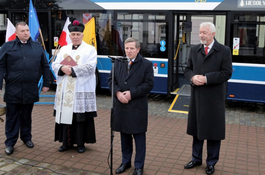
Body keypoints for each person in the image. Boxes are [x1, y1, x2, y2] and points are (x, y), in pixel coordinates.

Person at [184, 22, 232, 175]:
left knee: (213, 132)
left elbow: (227, 73)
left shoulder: (224, 51)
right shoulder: (194, 50)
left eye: (204, 32)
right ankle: (196, 158)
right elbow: (187, 69)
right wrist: (192, 78)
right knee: (197, 131)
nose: (201, 35)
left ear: (213, 34)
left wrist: (206, 79)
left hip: (214, 99)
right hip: (197, 98)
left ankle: (211, 162)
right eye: (200, 32)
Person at [0, 21, 50, 155]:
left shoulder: (37, 47)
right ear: (16, 33)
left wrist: (46, 83)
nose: (26, 33)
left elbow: (45, 66)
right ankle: (10, 142)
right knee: (12, 117)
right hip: (13, 89)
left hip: (30, 88)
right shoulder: (7, 46)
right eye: (22, 31)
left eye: (27, 30)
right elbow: (0, 66)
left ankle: (26, 138)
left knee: (27, 116)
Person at [108, 37, 154, 175]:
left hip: (137, 107)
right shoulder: (118, 62)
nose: (128, 51)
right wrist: (117, 93)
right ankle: (125, 162)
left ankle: (139, 166)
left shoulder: (146, 64)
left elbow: (149, 84)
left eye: (131, 48)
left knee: (139, 138)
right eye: (126, 48)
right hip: (121, 106)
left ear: (138, 49)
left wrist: (131, 94)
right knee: (124, 137)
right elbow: (111, 80)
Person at [52, 20, 97, 153]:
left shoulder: (90, 49)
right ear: (69, 36)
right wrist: (62, 68)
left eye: (78, 34)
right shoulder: (64, 49)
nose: (75, 36)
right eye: (73, 34)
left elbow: (90, 67)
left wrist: (72, 70)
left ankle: (80, 143)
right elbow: (55, 64)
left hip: (80, 89)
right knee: (66, 117)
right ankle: (66, 143)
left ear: (82, 35)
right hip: (65, 90)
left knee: (80, 117)